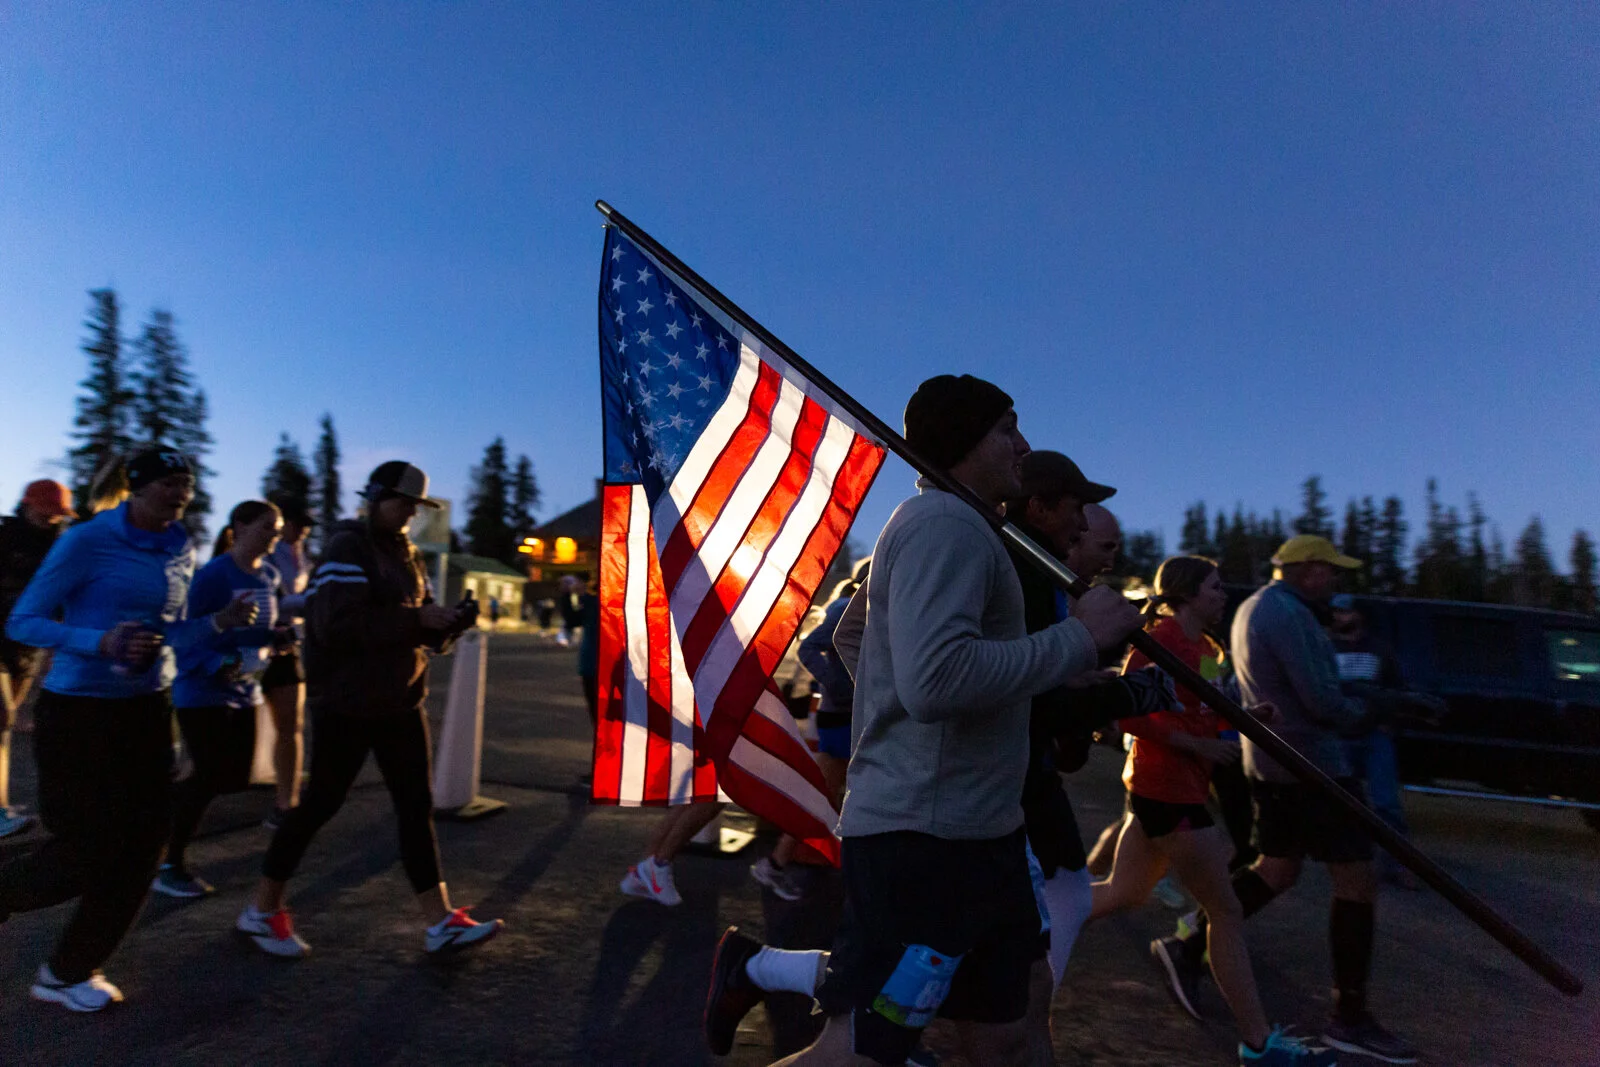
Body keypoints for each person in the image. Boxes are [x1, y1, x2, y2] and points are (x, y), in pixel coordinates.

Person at [745, 375, 1142, 1067]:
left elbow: (854, 640)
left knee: (1004, 1033)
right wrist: (1077, 640)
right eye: (1005, 428)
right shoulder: (947, 525)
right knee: (862, 1052)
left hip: (978, 835)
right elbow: (936, 681)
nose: (1022, 444)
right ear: (962, 439)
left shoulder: (944, 523)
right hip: (924, 847)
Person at [0, 449, 258, 1011]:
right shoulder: (87, 541)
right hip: (79, 714)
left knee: (145, 846)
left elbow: (171, 633)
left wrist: (220, 624)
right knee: (85, 849)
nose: (181, 494)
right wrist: (102, 642)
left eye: (187, 484)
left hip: (146, 711)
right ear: (137, 489)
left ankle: (68, 971)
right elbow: (23, 620)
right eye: (169, 484)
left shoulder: (180, 547)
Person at [1153, 535, 1416, 1064]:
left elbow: (1245, 690)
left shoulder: (1253, 613)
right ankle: (1349, 1016)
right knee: (1357, 878)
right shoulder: (1283, 615)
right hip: (1311, 765)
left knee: (1277, 868)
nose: (1337, 580)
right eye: (1331, 571)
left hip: (1276, 761)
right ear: (1308, 570)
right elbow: (1319, 699)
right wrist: (1377, 709)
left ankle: (1186, 946)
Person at [239, 461, 502, 958]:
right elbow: (338, 625)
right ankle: (262, 908)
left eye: (414, 507)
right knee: (320, 804)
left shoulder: (404, 553)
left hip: (399, 699)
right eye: (402, 503)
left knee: (415, 807)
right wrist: (417, 617)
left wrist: (448, 623)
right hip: (347, 702)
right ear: (376, 497)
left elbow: (412, 630)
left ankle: (438, 919)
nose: (408, 514)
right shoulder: (347, 548)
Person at [1088, 557, 1332, 1065]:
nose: (1224, 595)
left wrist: (1247, 718)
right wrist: (1190, 745)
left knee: (1121, 892)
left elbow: (1208, 714)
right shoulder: (1158, 641)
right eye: (1215, 587)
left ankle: (1019, 927)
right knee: (1226, 910)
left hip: (1180, 791)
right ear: (1187, 592)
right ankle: (1259, 1044)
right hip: (1165, 791)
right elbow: (1126, 712)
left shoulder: (1207, 651)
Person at [152, 500, 287, 899]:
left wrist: (276, 639)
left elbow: (260, 629)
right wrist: (216, 662)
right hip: (201, 691)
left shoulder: (268, 575)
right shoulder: (212, 577)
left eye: (277, 530)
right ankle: (168, 862)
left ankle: (160, 811)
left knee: (234, 777)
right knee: (209, 775)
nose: (274, 536)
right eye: (267, 527)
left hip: (245, 691)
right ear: (239, 526)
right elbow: (186, 634)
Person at [1328, 595, 1440, 890]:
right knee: (1339, 803)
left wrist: (1390, 721)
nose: (1340, 617)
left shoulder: (1379, 650)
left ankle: (1397, 864)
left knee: (1387, 804)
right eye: (1336, 612)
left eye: (1345, 611)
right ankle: (1346, 864)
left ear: (1358, 615)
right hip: (1339, 737)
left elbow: (1397, 688)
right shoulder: (1325, 648)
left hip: (1374, 735)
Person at [0, 479, 76, 838]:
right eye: (47, 513)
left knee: (5, 723)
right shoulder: (5, 537)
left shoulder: (59, 549)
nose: (52, 520)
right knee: (1, 718)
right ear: (28, 505)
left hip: (25, 650)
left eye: (58, 515)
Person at [261, 498, 314, 830]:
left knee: (291, 724)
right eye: (299, 526)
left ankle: (287, 802)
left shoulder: (303, 558)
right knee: (223, 731)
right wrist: (303, 604)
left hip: (287, 644)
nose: (303, 532)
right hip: (253, 645)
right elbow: (267, 597)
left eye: (307, 528)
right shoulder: (269, 554)